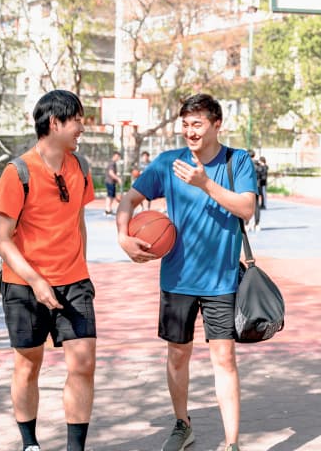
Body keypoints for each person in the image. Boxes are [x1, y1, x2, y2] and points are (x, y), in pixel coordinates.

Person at [116, 93, 257, 451]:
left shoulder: (235, 161)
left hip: (221, 279)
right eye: (185, 124)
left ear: (216, 124)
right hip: (177, 278)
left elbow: (247, 209)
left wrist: (204, 183)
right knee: (177, 354)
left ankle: (232, 442)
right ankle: (183, 424)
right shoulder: (167, 163)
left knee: (224, 357)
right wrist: (123, 237)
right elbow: (129, 200)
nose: (190, 131)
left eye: (197, 124)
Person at [0, 90, 96, 451]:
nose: (82, 127)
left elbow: (78, 221)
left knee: (83, 363)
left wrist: (80, 269)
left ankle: (75, 448)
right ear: (55, 123)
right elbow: (2, 239)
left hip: (74, 282)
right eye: (77, 119)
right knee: (28, 364)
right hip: (23, 283)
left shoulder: (81, 167)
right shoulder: (17, 172)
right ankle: (30, 444)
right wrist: (36, 280)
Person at [246, 150, 261, 231]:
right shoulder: (258, 164)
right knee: (256, 206)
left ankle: (246, 224)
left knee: (246, 204)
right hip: (257, 186)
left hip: (248, 186)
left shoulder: (246, 164)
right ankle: (257, 224)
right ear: (254, 155)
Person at [105, 150, 122, 215]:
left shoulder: (112, 163)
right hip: (110, 181)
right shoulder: (112, 163)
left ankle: (109, 209)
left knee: (111, 196)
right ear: (115, 156)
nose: (118, 158)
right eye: (118, 157)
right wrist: (118, 179)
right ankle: (107, 210)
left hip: (111, 181)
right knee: (110, 196)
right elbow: (111, 173)